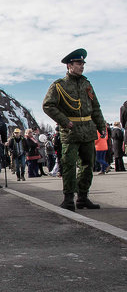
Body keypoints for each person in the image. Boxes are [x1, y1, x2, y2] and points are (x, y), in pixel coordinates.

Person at [43, 48, 106, 211]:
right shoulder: (59, 85)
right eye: (79, 63)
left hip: (88, 130)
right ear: (69, 65)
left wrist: (101, 126)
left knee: (87, 165)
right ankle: (69, 198)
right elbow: (48, 105)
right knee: (69, 165)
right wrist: (64, 121)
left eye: (83, 63)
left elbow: (96, 108)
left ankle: (83, 197)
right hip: (70, 133)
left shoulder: (87, 84)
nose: (82, 66)